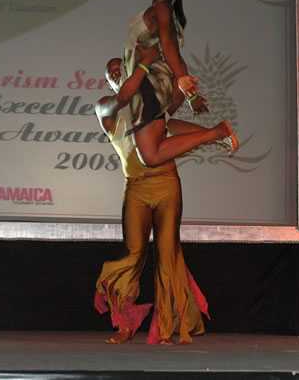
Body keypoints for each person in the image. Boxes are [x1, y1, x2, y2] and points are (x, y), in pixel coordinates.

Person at [93, 46, 237, 345]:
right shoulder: (107, 108)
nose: (119, 75)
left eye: (122, 68)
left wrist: (211, 132)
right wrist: (143, 66)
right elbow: (123, 98)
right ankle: (124, 325)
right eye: (114, 73)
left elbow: (174, 126)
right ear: (109, 83)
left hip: (167, 184)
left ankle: (169, 327)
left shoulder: (152, 107)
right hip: (136, 190)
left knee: (168, 255)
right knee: (134, 255)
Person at [121, 0, 234, 168]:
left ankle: (218, 132)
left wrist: (184, 83)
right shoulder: (163, 9)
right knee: (163, 131)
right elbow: (175, 54)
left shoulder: (161, 8)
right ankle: (216, 133)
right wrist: (189, 93)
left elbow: (167, 45)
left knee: (151, 156)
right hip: (150, 84)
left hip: (150, 85)